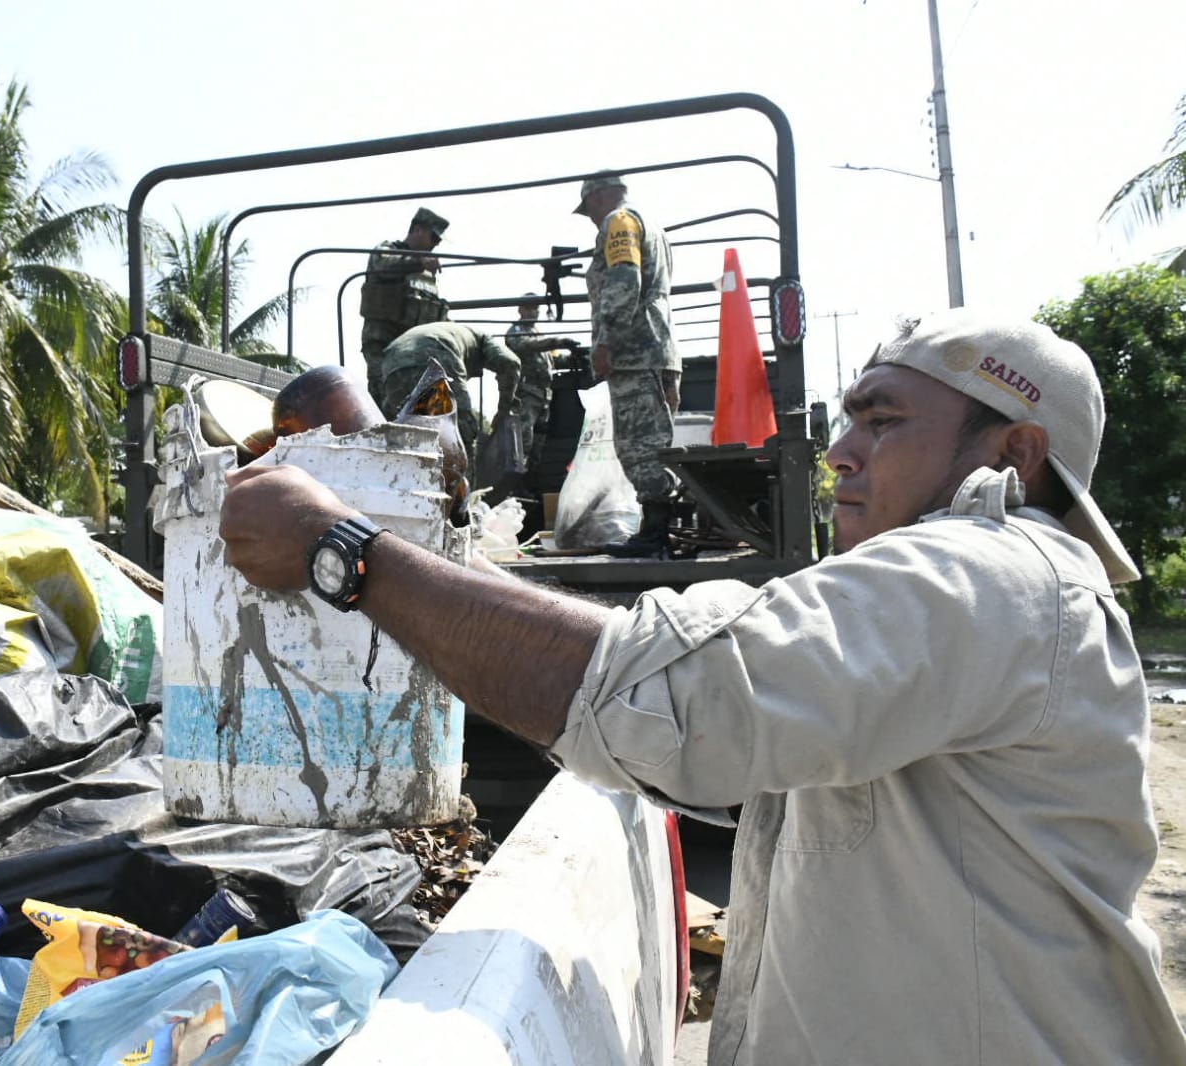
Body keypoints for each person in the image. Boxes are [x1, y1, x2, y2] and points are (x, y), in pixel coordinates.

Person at [216, 308, 1186, 1065]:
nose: (842, 449)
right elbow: (745, 754)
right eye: (847, 416)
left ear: (1010, 456)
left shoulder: (995, 575)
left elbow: (678, 699)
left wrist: (347, 554)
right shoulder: (974, 609)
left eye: (884, 420)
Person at [576, 171, 683, 556]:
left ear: (599, 196)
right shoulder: (649, 224)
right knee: (652, 443)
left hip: (637, 354)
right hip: (654, 349)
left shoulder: (618, 221)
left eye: (588, 208)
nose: (590, 218)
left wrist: (606, 341)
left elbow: (625, 280)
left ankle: (656, 538)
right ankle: (658, 533)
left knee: (640, 448)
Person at [378, 320, 521, 460]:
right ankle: (463, 480)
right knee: (460, 431)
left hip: (392, 362)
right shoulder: (483, 339)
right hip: (436, 351)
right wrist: (503, 410)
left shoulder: (455, 333)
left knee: (403, 433)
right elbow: (511, 363)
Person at [359, 207, 450, 406]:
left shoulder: (426, 272)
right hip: (383, 342)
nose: (436, 244)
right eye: (433, 238)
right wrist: (419, 262)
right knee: (384, 400)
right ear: (417, 230)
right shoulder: (389, 250)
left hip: (413, 349)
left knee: (426, 403)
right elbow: (383, 265)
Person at [504, 293, 579, 468]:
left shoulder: (538, 334)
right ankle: (515, 484)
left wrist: (574, 358)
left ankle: (531, 483)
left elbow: (552, 360)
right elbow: (525, 345)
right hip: (526, 394)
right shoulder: (516, 331)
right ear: (520, 309)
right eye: (529, 308)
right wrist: (557, 342)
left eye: (536, 308)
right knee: (523, 442)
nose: (534, 312)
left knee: (539, 445)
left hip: (543, 397)